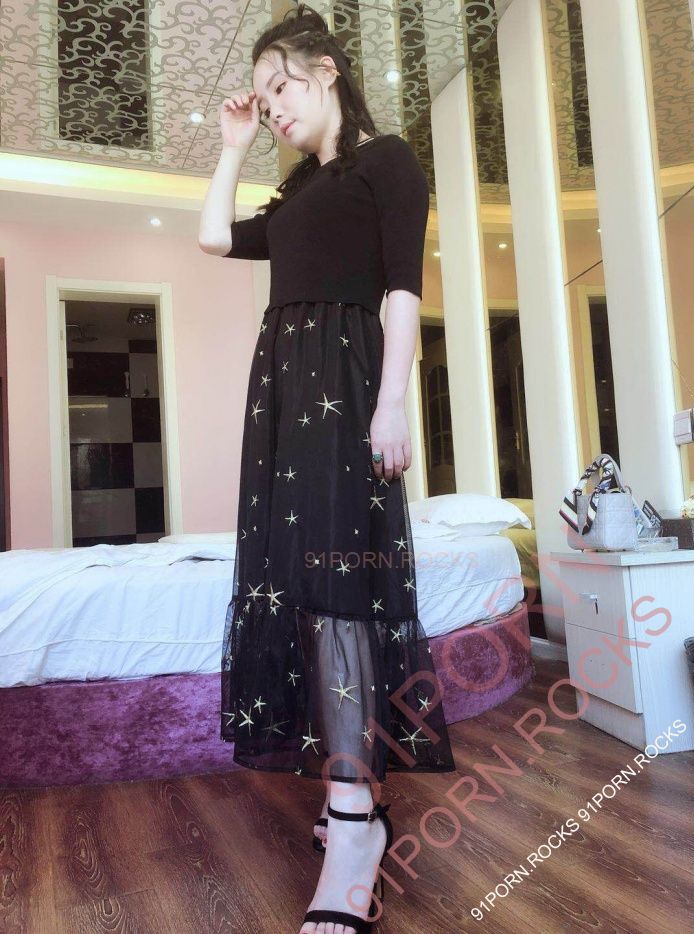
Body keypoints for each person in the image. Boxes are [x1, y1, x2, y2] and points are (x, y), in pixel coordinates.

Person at [198, 6, 456, 932]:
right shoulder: (297, 193)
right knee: (302, 588)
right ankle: (357, 798)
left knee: (342, 591)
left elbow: (402, 291)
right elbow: (214, 238)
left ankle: (353, 825)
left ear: (328, 69)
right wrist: (232, 146)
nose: (271, 106)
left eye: (281, 86)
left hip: (346, 389)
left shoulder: (386, 163)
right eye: (261, 95)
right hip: (282, 398)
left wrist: (392, 403)